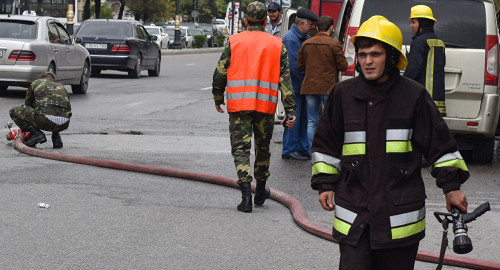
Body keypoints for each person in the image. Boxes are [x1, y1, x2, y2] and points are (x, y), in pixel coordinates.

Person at [310, 16, 469, 269]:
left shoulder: (413, 96)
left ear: (392, 57)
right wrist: (325, 184)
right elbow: (325, 144)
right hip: (355, 211)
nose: (367, 61)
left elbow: (440, 146)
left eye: (375, 54)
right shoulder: (342, 95)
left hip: (399, 219)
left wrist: (451, 186)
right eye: (362, 55)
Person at [212, 1, 296, 213]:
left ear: (245, 21)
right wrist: (291, 110)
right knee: (263, 147)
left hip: (240, 105)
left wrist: (217, 96)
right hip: (265, 106)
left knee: (241, 149)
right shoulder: (277, 44)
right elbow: (285, 80)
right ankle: (260, 191)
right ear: (266, 21)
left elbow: (220, 72)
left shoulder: (234, 41)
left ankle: (245, 197)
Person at [297, 15, 348, 149]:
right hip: (328, 88)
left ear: (318, 28)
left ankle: (313, 150)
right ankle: (329, 149)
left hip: (310, 87)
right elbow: (343, 66)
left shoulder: (306, 43)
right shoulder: (334, 44)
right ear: (331, 28)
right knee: (332, 120)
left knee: (312, 121)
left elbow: (300, 66)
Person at [282, 7, 319, 160]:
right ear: (302, 23)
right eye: (310, 24)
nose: (312, 27)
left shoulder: (303, 37)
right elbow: (294, 67)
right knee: (294, 118)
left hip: (302, 85)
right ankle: (289, 149)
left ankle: (303, 148)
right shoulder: (291, 39)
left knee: (303, 118)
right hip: (294, 86)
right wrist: (308, 79)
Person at [9, 72, 72, 149]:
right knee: (57, 110)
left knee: (15, 111)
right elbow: (65, 109)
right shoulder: (62, 87)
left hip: (44, 120)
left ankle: (36, 134)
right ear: (53, 79)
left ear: (42, 78)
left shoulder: (36, 83)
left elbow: (28, 104)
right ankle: (56, 138)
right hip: (64, 124)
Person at [404, 5, 446, 116]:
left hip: (422, 97)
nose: (411, 25)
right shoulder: (439, 42)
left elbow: (413, 69)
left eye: (414, 22)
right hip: (437, 99)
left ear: (422, 23)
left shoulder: (419, 41)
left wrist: (402, 83)